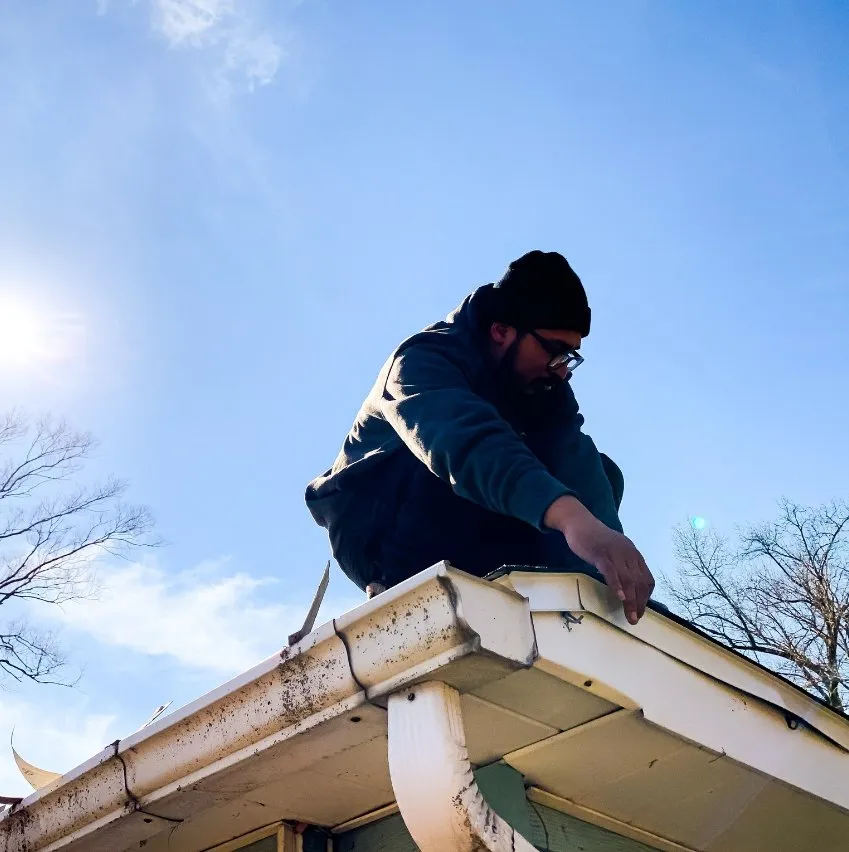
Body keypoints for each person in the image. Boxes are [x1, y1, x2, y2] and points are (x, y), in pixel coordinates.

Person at [305, 251, 654, 624]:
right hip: (381, 526)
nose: (562, 371)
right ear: (502, 331)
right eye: (554, 352)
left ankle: (570, 604)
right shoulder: (421, 361)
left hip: (469, 522)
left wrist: (614, 572)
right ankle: (397, 588)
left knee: (601, 472)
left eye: (570, 357)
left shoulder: (544, 389)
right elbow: (468, 446)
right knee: (472, 466)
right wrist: (573, 520)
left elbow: (577, 463)